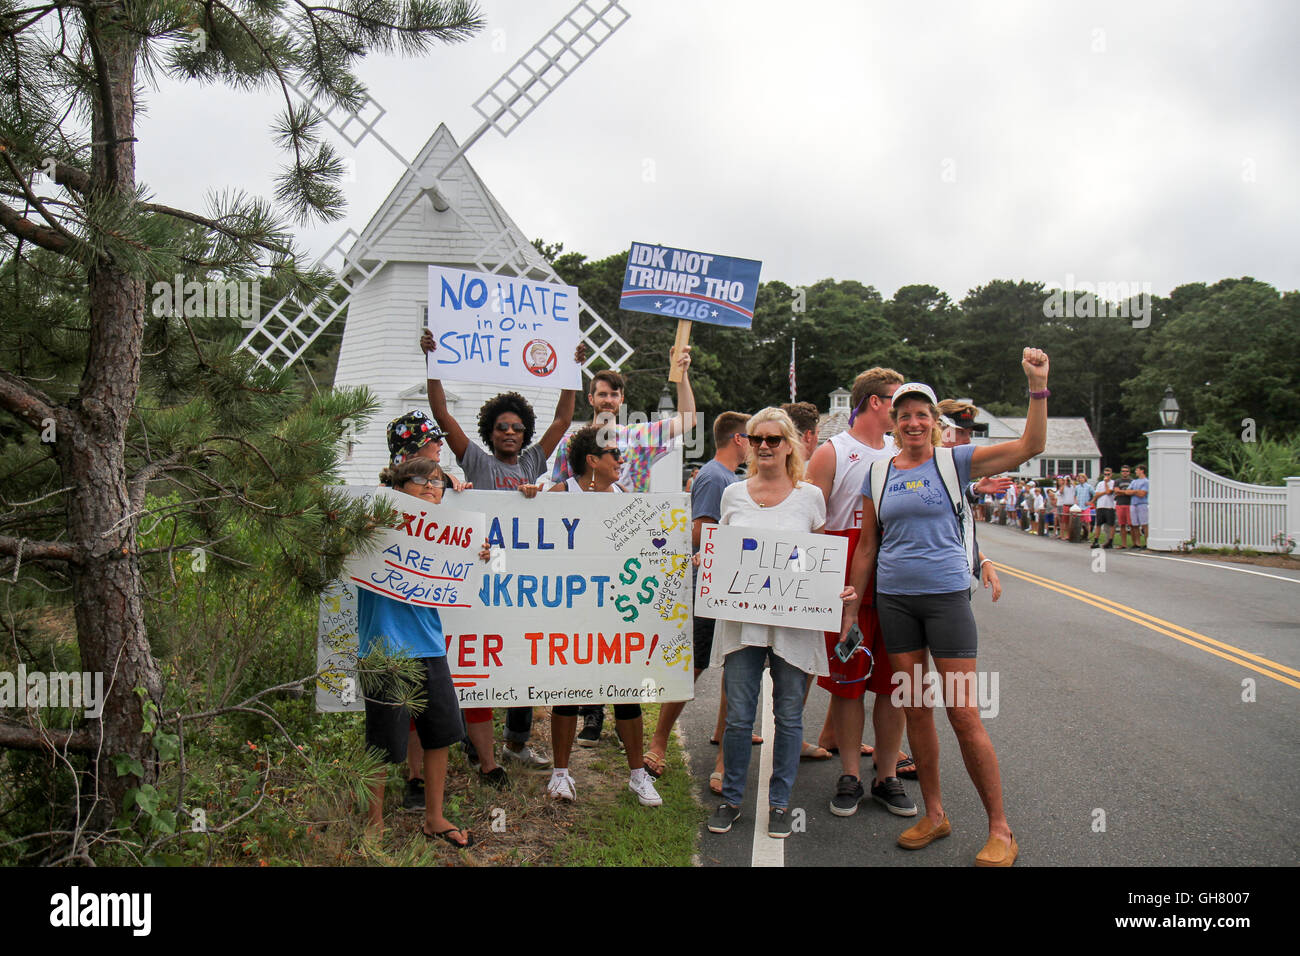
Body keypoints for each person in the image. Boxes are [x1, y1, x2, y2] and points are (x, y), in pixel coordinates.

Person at [841, 348, 1051, 867]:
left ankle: (1000, 829)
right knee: (916, 709)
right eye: (904, 414)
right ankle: (934, 814)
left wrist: (1038, 386)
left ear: (935, 423)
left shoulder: (954, 461)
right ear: (892, 421)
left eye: (922, 414)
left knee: (962, 713)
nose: (913, 421)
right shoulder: (878, 473)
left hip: (946, 600)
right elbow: (868, 546)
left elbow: (1030, 445)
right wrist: (849, 614)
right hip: (894, 601)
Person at [420, 331, 582, 771]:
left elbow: (563, 421)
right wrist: (433, 363)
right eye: (501, 427)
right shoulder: (475, 461)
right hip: (484, 573)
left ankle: (516, 742)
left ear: (524, 432)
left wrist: (570, 370)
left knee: (521, 656)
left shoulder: (532, 463)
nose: (510, 432)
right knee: (481, 654)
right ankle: (476, 741)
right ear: (490, 433)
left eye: (516, 427)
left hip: (524, 576)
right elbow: (441, 413)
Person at [706, 408, 855, 839]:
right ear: (747, 445)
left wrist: (837, 591)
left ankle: (780, 804)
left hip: (794, 625)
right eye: (757, 439)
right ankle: (732, 799)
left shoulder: (810, 497)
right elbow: (724, 553)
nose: (765, 447)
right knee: (739, 717)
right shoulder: (733, 495)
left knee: (789, 715)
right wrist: (709, 563)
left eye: (774, 439)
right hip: (742, 623)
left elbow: (820, 561)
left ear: (790, 444)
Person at [548, 348, 695, 747]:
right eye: (601, 394)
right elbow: (556, 493)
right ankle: (591, 716)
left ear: (622, 401)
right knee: (588, 630)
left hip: (630, 545)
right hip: (583, 549)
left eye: (615, 395)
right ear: (591, 399)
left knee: (621, 627)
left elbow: (687, 420)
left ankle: (622, 712)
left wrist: (680, 375)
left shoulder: (638, 437)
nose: (608, 401)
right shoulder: (572, 442)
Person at [359, 456, 492, 847]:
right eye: (422, 480)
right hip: (384, 650)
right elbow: (344, 540)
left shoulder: (447, 535)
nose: (433, 487)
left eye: (438, 483)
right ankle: (374, 825)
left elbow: (493, 568)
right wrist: (378, 517)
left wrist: (478, 556)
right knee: (381, 744)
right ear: (399, 487)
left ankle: (434, 818)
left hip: (430, 646)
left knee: (440, 735)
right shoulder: (374, 525)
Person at [804, 368, 916, 817]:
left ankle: (886, 775)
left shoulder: (902, 452)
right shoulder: (833, 452)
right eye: (897, 400)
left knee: (895, 686)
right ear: (875, 402)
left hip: (895, 579)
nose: (905, 411)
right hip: (846, 581)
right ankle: (850, 773)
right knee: (848, 686)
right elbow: (808, 521)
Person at [544, 426, 663, 807]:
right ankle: (560, 774)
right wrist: (529, 499)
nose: (621, 459)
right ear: (591, 460)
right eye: (613, 453)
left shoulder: (623, 497)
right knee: (567, 691)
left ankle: (638, 775)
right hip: (570, 610)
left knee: (626, 693)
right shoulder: (561, 494)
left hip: (613, 612)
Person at [644, 411, 750, 789]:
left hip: (729, 588)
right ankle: (658, 741)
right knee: (695, 666)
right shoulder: (714, 476)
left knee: (732, 667)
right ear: (738, 439)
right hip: (709, 587)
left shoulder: (732, 478)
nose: (756, 445)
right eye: (752, 437)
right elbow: (698, 531)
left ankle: (724, 734)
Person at [384, 411, 481, 807]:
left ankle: (430, 801)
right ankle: (411, 781)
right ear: (410, 450)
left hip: (426, 634)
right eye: (432, 439)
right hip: (387, 638)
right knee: (386, 732)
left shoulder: (443, 491)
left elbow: (457, 545)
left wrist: (475, 550)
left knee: (436, 723)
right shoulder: (381, 503)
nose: (440, 445)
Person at [1089, 467, 1118, 548]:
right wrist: (1104, 491)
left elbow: (1109, 492)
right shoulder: (1100, 483)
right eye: (1105, 474)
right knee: (1098, 524)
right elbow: (1096, 494)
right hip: (1100, 506)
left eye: (1108, 474)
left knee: (1111, 525)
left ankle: (1110, 541)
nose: (1106, 476)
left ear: (1111, 475)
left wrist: (1106, 484)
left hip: (1109, 506)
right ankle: (1096, 541)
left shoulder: (1113, 483)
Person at [1113, 465, 1135, 549]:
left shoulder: (1132, 481)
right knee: (1122, 525)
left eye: (1126, 471)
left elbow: (1132, 492)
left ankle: (1134, 543)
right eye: (1123, 471)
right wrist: (1126, 492)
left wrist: (1122, 491)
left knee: (1131, 524)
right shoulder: (1117, 481)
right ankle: (1124, 544)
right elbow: (1116, 491)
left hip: (1130, 504)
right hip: (1120, 503)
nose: (1124, 472)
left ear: (1129, 472)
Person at [1129, 464, 1150, 547]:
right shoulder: (1134, 481)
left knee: (1144, 524)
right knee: (1135, 525)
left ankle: (1147, 542)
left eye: (1137, 470)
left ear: (1142, 470)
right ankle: (1137, 543)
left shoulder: (1146, 481)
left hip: (1142, 504)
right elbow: (1127, 491)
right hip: (1133, 504)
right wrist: (1136, 491)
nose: (1135, 472)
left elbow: (1142, 494)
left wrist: (1133, 492)